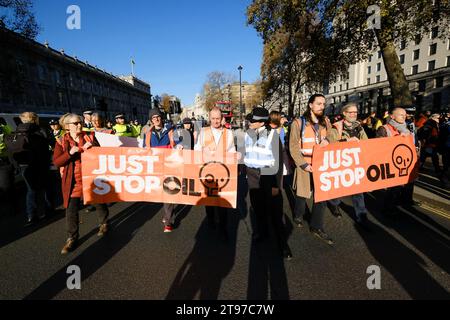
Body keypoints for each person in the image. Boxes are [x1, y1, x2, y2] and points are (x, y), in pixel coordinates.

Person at [53, 114, 110, 254]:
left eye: (80, 122)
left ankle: (104, 223)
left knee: (98, 202)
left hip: (90, 177)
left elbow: (102, 154)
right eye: (76, 123)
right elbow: (57, 162)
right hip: (72, 180)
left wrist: (94, 147)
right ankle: (72, 238)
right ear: (67, 126)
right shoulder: (61, 141)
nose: (79, 125)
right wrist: (70, 153)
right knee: (71, 209)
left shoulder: (89, 136)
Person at [246, 108, 291, 259]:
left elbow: (277, 163)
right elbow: (244, 153)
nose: (249, 122)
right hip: (252, 177)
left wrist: (276, 186)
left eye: (252, 121)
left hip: (268, 177)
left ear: (261, 122)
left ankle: (283, 244)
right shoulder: (248, 134)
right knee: (258, 209)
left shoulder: (273, 135)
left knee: (276, 213)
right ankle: (263, 233)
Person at [289, 94, 333, 245]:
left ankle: (316, 227)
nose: (322, 106)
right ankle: (298, 215)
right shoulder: (298, 123)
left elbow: (332, 136)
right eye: (319, 103)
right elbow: (293, 146)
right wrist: (303, 164)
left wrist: (327, 140)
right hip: (305, 166)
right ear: (310, 105)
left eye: (323, 104)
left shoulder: (326, 121)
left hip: (322, 166)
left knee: (321, 197)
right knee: (302, 194)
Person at [194, 107, 235, 241]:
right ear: (209, 118)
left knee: (223, 203)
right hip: (207, 171)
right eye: (213, 118)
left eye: (218, 118)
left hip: (223, 172)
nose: (216, 121)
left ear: (221, 118)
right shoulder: (203, 132)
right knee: (209, 201)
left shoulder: (228, 133)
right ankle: (211, 222)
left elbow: (232, 151)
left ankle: (223, 229)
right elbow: (197, 149)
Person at [327, 103, 370, 227]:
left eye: (355, 112)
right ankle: (334, 204)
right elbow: (330, 145)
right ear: (344, 113)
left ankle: (362, 217)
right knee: (338, 187)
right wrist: (347, 141)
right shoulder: (336, 128)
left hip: (356, 164)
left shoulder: (359, 127)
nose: (354, 114)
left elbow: (366, 143)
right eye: (351, 112)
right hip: (340, 163)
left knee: (358, 191)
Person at [6, 112, 53, 226]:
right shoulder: (40, 130)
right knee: (46, 187)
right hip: (40, 164)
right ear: (34, 119)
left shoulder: (16, 131)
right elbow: (51, 143)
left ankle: (31, 216)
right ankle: (48, 211)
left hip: (24, 165)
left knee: (30, 190)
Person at [143, 108, 177, 233]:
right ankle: (166, 216)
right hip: (156, 168)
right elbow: (144, 150)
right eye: (153, 117)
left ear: (161, 118)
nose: (156, 119)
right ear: (151, 120)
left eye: (158, 116)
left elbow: (176, 144)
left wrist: (179, 147)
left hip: (169, 166)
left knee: (169, 193)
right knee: (162, 194)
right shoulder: (148, 134)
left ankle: (168, 222)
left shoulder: (170, 131)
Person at [376, 107, 415, 213]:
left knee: (405, 185)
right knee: (394, 188)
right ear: (392, 116)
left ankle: (401, 203)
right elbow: (378, 147)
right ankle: (388, 209)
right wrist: (397, 139)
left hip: (404, 162)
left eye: (405, 114)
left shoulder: (406, 129)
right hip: (390, 163)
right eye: (401, 114)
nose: (404, 116)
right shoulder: (383, 129)